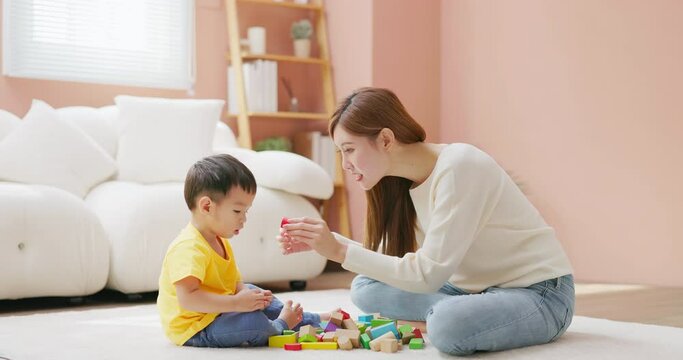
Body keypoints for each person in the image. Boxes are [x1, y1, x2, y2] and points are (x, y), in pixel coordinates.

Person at [279, 87, 575, 356]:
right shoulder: (398, 183)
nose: (345, 164)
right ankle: (474, 313)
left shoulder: (460, 165)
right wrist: (325, 242)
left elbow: (428, 275)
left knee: (447, 326)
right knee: (366, 286)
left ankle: (458, 316)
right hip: (469, 290)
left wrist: (339, 251)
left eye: (349, 149)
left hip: (539, 293)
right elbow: (390, 261)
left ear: (385, 139)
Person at [157, 154, 332, 348]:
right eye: (237, 212)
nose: (244, 219)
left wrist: (247, 297)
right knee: (253, 323)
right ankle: (279, 326)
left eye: (246, 212)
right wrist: (237, 304)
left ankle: (311, 319)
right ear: (207, 206)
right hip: (197, 327)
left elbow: (235, 283)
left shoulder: (220, 241)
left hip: (219, 312)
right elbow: (188, 299)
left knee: (255, 293)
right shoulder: (189, 248)